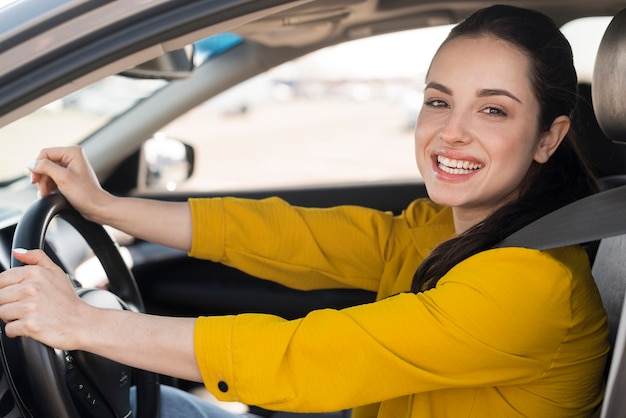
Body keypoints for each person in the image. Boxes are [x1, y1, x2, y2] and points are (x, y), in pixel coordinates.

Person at [0, 4, 610, 417]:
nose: (451, 133)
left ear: (548, 138)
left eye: (493, 110)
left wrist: (82, 325)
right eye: (437, 102)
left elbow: (305, 355)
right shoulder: (443, 229)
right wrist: (106, 207)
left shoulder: (531, 286)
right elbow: (291, 236)